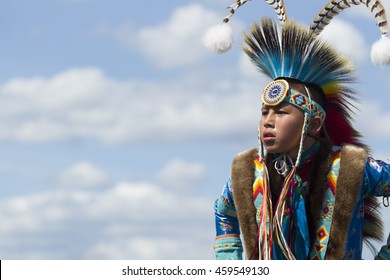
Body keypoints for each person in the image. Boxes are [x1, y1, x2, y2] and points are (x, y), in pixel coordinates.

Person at [205, 1, 390, 260]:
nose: (268, 121)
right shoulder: (249, 174)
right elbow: (224, 212)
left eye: (281, 112)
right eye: (264, 112)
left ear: (313, 123)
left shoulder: (351, 168)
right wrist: (231, 266)